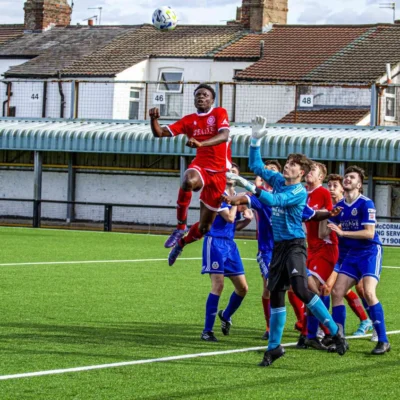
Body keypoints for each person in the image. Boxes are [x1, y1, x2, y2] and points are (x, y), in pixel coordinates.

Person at [227, 116, 347, 366]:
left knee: (302, 290)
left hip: (294, 245)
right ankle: (274, 348)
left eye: (292, 165)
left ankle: (335, 332)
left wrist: (246, 184)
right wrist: (255, 140)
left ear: (301, 172)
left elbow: (273, 202)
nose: (287, 167)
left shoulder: (298, 191)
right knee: (276, 294)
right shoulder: (280, 181)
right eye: (288, 163)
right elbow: (256, 164)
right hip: (279, 247)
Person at [149, 84, 231, 266]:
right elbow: (160, 133)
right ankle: (180, 227)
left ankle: (181, 243)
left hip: (219, 174)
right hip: (201, 167)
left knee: (204, 227)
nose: (201, 97)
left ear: (212, 99)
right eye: (198, 95)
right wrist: (153, 120)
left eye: (205, 94)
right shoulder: (189, 120)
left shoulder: (219, 113)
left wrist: (201, 144)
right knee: (188, 180)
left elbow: (224, 135)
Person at [327, 166, 390, 355]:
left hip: (369, 252)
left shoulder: (366, 203)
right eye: (346, 176)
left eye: (351, 177)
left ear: (359, 184)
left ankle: (383, 341)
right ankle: (340, 339)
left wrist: (343, 232)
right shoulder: (340, 208)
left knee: (369, 293)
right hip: (351, 255)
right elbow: (326, 228)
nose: (347, 179)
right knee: (337, 292)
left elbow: (370, 233)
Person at [201, 163, 254, 342]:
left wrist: (246, 221)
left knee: (243, 288)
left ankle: (226, 315)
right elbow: (230, 218)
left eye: (234, 173)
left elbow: (233, 226)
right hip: (214, 242)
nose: (231, 175)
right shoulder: (219, 195)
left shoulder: (235, 197)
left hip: (230, 244)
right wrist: (236, 203)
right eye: (228, 172)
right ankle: (207, 331)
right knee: (218, 285)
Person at [318, 174, 372, 345]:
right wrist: (326, 213)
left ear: (343, 188)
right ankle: (328, 329)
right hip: (337, 254)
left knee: (361, 289)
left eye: (335, 186)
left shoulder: (356, 203)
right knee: (335, 290)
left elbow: (365, 230)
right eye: (329, 186)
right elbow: (322, 233)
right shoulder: (334, 207)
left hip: (353, 252)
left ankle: (368, 322)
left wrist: (341, 228)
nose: (331, 189)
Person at [298, 162, 339, 351]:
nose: (309, 172)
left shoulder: (322, 193)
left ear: (321, 177)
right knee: (304, 289)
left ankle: (327, 332)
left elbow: (328, 218)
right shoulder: (302, 193)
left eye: (313, 170)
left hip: (326, 247)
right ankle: (310, 334)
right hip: (311, 248)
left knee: (310, 287)